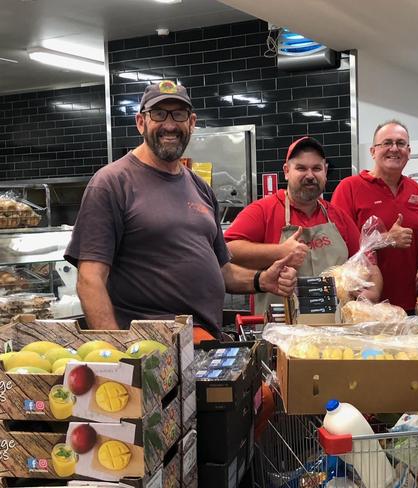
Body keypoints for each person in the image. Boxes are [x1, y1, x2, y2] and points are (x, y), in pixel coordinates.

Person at [64, 80, 297, 339]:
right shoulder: (112, 183)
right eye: (159, 114)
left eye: (179, 114)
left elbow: (222, 271)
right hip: (151, 347)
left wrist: (261, 280)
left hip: (202, 340)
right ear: (141, 122)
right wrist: (117, 352)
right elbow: (90, 280)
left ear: (192, 122)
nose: (170, 124)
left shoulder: (199, 186)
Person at [225, 136, 382, 314]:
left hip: (333, 332)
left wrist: (371, 292)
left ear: (325, 171)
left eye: (316, 168)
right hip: (281, 331)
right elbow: (227, 250)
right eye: (301, 168)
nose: (310, 175)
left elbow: (368, 264)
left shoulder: (338, 216)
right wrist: (279, 252)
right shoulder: (262, 211)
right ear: (286, 171)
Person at [331, 120, 418, 313]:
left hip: (406, 306)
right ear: (373, 151)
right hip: (363, 308)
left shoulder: (415, 190)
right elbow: (337, 246)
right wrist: (386, 239)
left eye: (401, 143)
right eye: (387, 143)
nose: (394, 148)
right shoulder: (349, 188)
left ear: (408, 151)